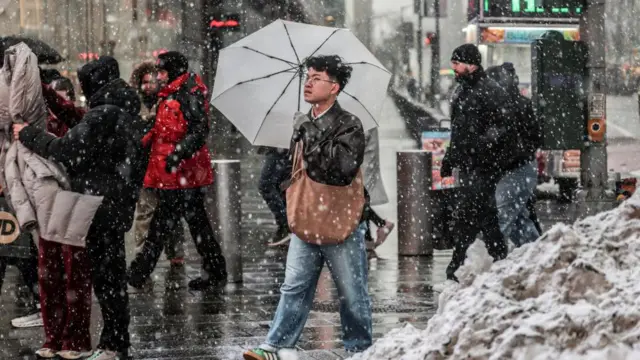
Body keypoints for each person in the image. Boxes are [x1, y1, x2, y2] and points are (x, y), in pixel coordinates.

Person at [14, 56, 148, 360]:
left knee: (107, 282)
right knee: (111, 280)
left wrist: (27, 134)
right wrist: (49, 95)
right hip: (114, 204)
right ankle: (116, 343)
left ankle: (114, 346)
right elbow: (83, 125)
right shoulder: (119, 109)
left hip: (98, 206)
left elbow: (67, 149)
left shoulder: (104, 114)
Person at [243, 55, 371, 360]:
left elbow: (339, 170)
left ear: (335, 87)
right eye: (308, 77)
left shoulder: (349, 124)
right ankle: (277, 344)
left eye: (317, 78)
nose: (309, 83)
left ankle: (361, 350)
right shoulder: (301, 122)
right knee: (294, 286)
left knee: (352, 294)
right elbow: (290, 170)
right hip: (305, 216)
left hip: (340, 220)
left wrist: (308, 131)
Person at [128, 51, 227, 291]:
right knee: (187, 224)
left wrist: (178, 154)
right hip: (175, 173)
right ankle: (215, 271)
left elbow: (199, 130)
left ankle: (139, 272)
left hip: (183, 174)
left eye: (162, 71)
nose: (159, 76)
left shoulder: (187, 94)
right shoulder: (172, 93)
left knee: (165, 225)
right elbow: (164, 130)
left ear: (173, 71)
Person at [435, 44, 510, 291]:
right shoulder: (463, 90)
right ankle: (501, 261)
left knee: (468, 215)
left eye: (457, 63)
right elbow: (459, 133)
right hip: (470, 165)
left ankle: (455, 268)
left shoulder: (488, 90)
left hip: (484, 166)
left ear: (471, 63)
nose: (453, 67)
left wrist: (481, 145)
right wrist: (450, 158)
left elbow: (502, 127)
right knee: (485, 217)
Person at [129, 61, 186, 275]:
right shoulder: (136, 104)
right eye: (144, 82)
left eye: (152, 81)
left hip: (167, 168)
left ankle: (175, 253)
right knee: (145, 212)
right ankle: (141, 255)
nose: (149, 86)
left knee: (171, 213)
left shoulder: (169, 101)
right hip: (145, 168)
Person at [486, 63, 542, 247]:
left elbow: (503, 141)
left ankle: (490, 262)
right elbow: (535, 137)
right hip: (521, 167)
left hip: (516, 169)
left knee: (502, 219)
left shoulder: (505, 108)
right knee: (518, 221)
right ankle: (538, 253)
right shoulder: (518, 104)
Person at [257, 146, 291, 246]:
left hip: (279, 147)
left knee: (266, 185)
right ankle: (287, 225)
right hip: (281, 147)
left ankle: (286, 225)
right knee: (280, 185)